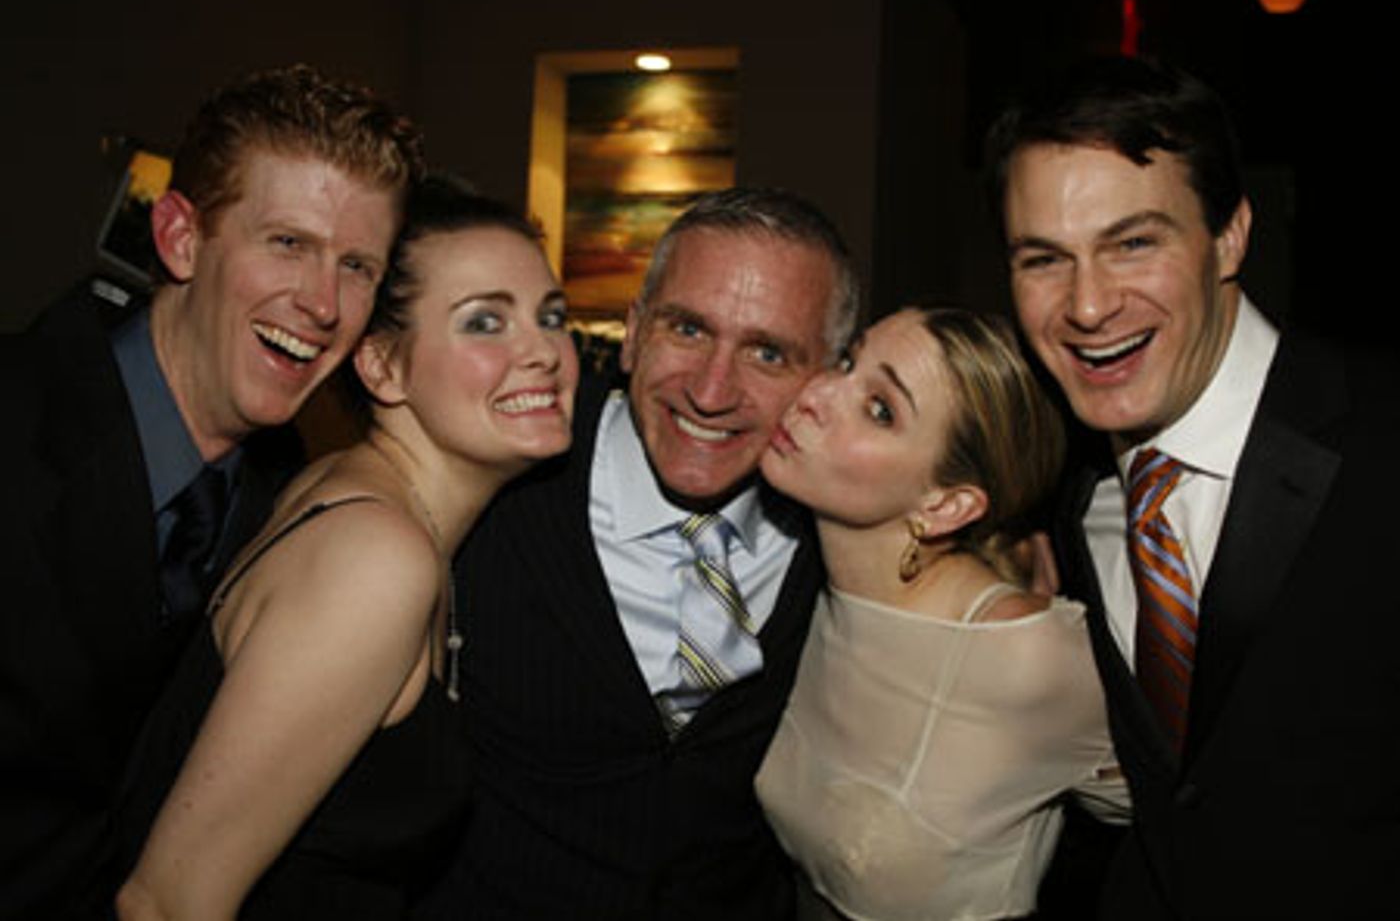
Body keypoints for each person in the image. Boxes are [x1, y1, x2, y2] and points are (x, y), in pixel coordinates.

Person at [0, 64, 421, 918]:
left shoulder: (292, 509)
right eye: (288, 243)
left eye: (356, 266)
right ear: (181, 237)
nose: (323, 304)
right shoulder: (20, 420)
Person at [987, 56, 1400, 918]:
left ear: (1230, 236)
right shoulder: (1068, 491)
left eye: (1133, 243)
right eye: (1044, 259)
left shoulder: (1376, 441)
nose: (1087, 306)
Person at [112, 177, 579, 919]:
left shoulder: (352, 488)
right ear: (382, 365)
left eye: (551, 316)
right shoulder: (375, 557)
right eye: (485, 321)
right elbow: (165, 900)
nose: (544, 352)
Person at [416, 187, 860, 920]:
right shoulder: (497, 481)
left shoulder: (847, 534)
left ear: (829, 380)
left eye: (768, 353)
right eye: (687, 328)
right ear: (632, 333)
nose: (712, 391)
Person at [755, 307, 1127, 921]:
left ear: (945, 506)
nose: (816, 394)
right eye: (847, 362)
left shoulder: (1024, 655)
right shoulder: (796, 583)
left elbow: (1177, 806)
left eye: (880, 409)